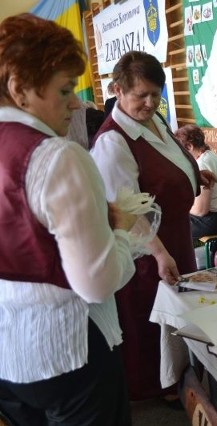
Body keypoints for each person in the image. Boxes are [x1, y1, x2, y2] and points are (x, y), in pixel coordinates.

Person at [0, 14, 137, 425]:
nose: (76, 103)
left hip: (9, 355)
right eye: (64, 90)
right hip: (68, 352)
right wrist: (123, 234)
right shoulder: (58, 156)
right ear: (20, 90)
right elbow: (96, 284)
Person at [91, 51, 211, 401]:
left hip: (176, 236)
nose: (149, 102)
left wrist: (192, 175)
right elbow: (126, 214)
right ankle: (161, 389)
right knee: (151, 318)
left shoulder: (152, 120)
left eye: (156, 95)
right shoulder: (113, 142)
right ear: (117, 89)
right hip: (147, 249)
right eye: (140, 95)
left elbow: (166, 161)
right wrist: (159, 254)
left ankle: (179, 376)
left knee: (177, 313)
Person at [175, 124, 217, 238]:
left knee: (168, 226)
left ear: (189, 146)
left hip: (213, 220)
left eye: (179, 150)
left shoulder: (202, 164)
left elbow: (201, 210)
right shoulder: (209, 156)